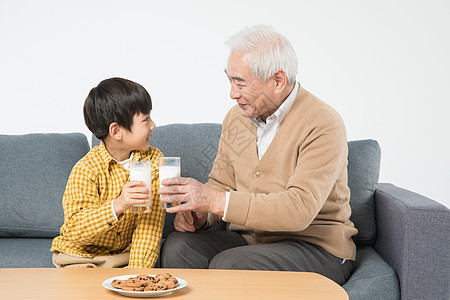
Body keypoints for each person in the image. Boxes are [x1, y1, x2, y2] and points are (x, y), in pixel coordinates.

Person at [158, 25, 358, 285]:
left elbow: (299, 209)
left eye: (240, 82)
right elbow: (223, 184)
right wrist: (202, 214)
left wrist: (215, 201)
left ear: (278, 80)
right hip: (251, 240)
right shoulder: (238, 120)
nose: (232, 93)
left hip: (316, 248)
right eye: (229, 80)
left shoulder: (321, 123)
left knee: (230, 265)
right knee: (179, 246)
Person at [51, 77, 165, 268]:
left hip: (124, 258)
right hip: (80, 256)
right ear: (116, 131)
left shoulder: (153, 161)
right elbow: (75, 230)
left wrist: (136, 275)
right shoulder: (86, 169)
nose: (153, 125)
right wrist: (118, 205)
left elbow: (149, 228)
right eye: (145, 119)